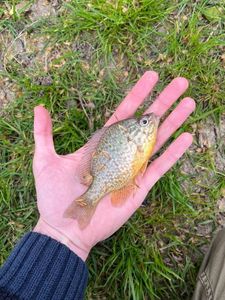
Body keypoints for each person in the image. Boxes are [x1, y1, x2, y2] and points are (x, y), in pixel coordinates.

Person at [0, 70, 212, 300]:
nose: (149, 121)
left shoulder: (135, 137)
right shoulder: (132, 138)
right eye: (144, 122)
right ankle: (87, 205)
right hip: (111, 176)